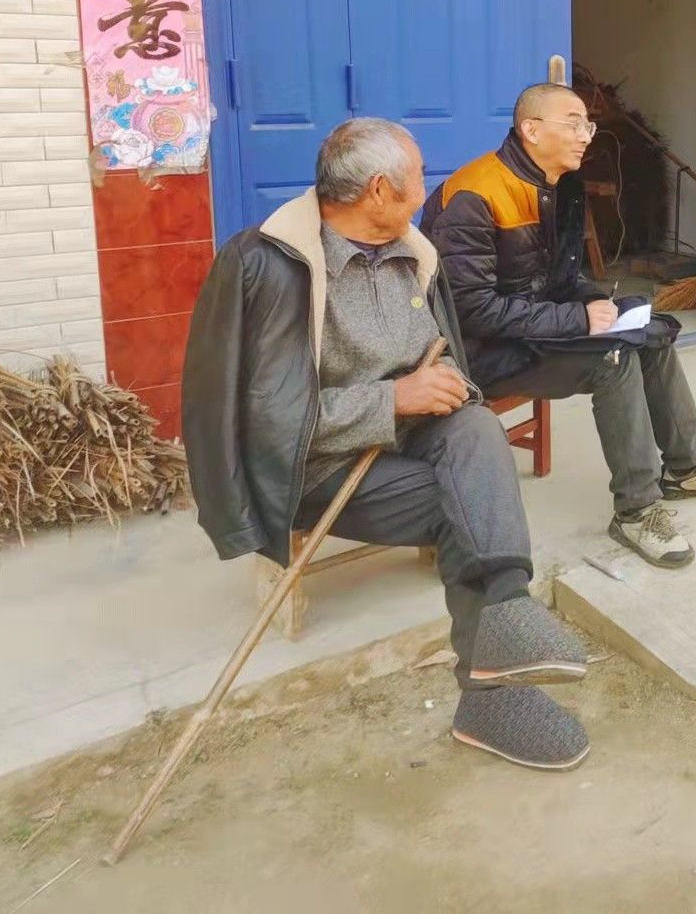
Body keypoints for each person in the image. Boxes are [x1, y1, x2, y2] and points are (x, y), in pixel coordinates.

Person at [181, 117, 592, 772]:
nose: (427, 190)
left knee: (475, 431)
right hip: (318, 469)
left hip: (410, 443)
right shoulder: (266, 265)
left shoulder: (413, 253)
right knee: (466, 505)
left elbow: (441, 354)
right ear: (378, 189)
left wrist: (444, 381)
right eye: (418, 178)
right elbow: (262, 422)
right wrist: (391, 399)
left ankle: (504, 615)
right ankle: (490, 696)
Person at [420, 83, 696, 570]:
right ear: (531, 130)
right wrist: (577, 319)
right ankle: (637, 511)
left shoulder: (560, 187)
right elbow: (471, 310)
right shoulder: (476, 194)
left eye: (587, 125)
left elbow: (560, 276)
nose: (585, 136)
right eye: (572, 124)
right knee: (613, 359)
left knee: (652, 334)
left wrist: (593, 299)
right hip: (479, 352)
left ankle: (686, 466)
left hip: (532, 331)